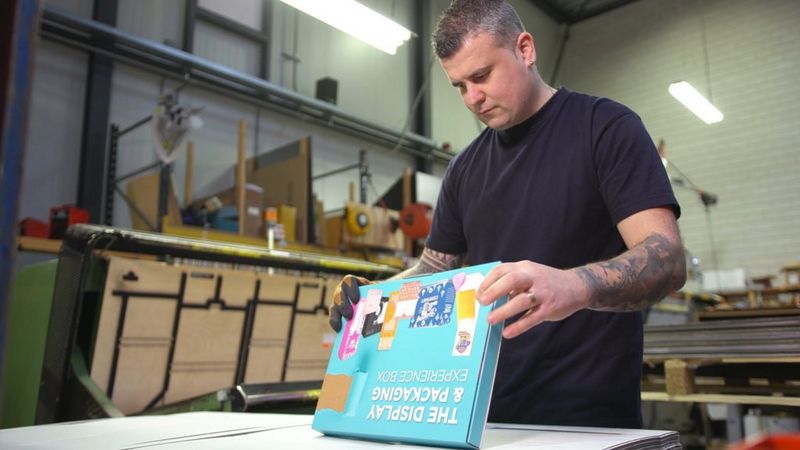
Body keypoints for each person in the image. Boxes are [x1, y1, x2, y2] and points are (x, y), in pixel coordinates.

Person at [330, 0, 686, 429]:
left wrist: (573, 284)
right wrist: (373, 296)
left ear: (525, 49)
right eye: (459, 86)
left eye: (481, 76)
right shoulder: (464, 169)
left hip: (588, 418)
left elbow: (666, 258)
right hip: (484, 417)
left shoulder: (605, 128)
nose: (473, 99)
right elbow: (432, 268)